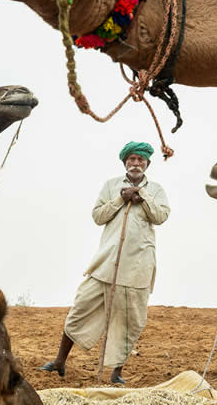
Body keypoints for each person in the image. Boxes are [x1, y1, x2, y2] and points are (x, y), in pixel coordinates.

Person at [40, 141, 170, 385]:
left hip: (138, 267)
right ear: (124, 163)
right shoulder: (111, 186)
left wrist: (142, 196)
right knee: (80, 309)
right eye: (131, 159)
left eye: (141, 160)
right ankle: (59, 362)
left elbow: (161, 216)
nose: (136, 163)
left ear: (147, 164)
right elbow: (98, 216)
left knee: (129, 320)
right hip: (106, 263)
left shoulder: (157, 190)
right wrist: (121, 199)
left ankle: (116, 372)